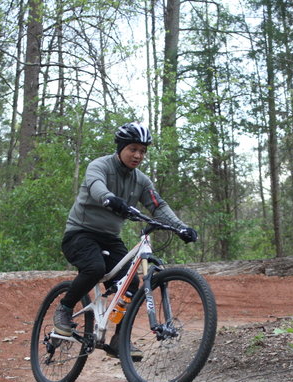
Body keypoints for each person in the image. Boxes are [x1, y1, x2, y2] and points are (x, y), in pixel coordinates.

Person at [53, 122, 198, 357]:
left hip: (110, 239)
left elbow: (157, 205)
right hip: (79, 234)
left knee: (130, 283)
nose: (138, 155)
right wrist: (110, 198)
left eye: (142, 151)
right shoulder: (99, 166)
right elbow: (96, 186)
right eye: (133, 149)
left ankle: (120, 339)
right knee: (95, 268)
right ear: (120, 147)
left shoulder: (141, 181)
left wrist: (181, 228)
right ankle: (64, 308)